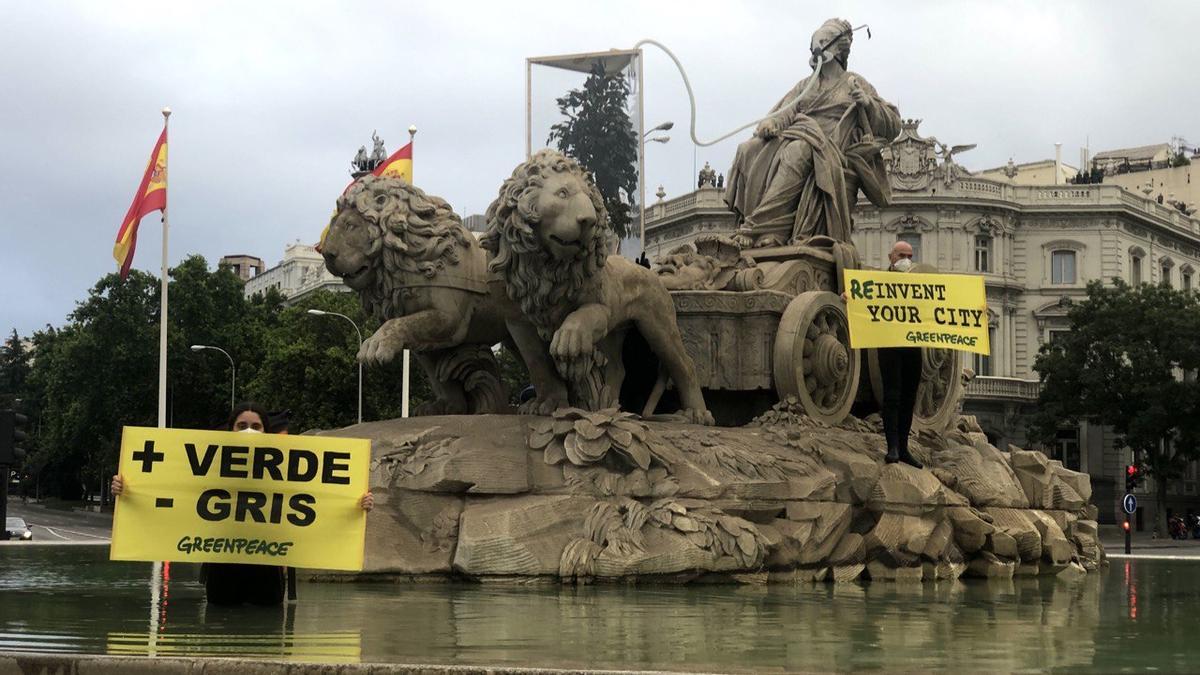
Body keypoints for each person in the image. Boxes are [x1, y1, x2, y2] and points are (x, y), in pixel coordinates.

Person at [111, 402, 374, 605]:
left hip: (267, 567)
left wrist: (356, 504)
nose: (249, 430)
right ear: (231, 428)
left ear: (266, 430)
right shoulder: (210, 467)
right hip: (221, 566)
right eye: (242, 425)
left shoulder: (286, 470)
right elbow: (167, 488)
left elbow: (322, 501)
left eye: (256, 426)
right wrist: (127, 490)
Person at [725, 17, 900, 247]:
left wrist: (867, 103)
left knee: (798, 150)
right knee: (748, 149)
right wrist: (772, 124)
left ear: (838, 46)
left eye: (821, 43)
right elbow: (785, 110)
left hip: (833, 147)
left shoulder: (854, 82)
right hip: (800, 133)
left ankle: (760, 226)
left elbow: (893, 124)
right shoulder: (805, 85)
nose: (815, 50)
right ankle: (763, 227)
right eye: (813, 45)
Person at [876, 241, 923, 468]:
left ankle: (903, 447)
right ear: (891, 257)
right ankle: (892, 446)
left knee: (909, 397)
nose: (906, 259)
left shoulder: (921, 283)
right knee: (892, 395)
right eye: (902, 254)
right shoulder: (878, 282)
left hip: (913, 345)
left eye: (909, 255)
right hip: (888, 343)